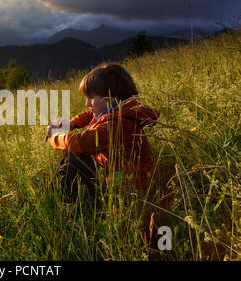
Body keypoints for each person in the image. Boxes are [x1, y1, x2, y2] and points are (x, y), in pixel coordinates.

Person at [46, 63, 160, 197]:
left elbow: (80, 142)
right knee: (77, 160)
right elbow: (89, 115)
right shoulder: (120, 111)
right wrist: (70, 124)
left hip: (127, 185)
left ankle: (60, 202)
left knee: (74, 161)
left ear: (112, 97)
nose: (87, 104)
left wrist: (55, 136)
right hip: (118, 172)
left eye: (91, 98)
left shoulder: (117, 125)